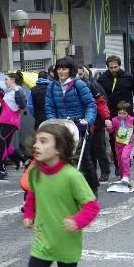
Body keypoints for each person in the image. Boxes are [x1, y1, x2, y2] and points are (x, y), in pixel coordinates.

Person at [22, 122, 100, 267]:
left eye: (43, 141)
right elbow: (33, 195)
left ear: (59, 148)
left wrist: (77, 221)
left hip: (67, 243)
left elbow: (92, 206)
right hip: (43, 239)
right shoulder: (35, 172)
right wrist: (29, 214)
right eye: (36, 141)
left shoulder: (71, 176)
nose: (36, 145)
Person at [43, 57, 98, 194]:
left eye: (64, 69)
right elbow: (49, 107)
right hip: (61, 127)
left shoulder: (79, 84)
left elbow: (90, 104)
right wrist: (52, 121)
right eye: (59, 69)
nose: (61, 71)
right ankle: (66, 188)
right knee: (61, 158)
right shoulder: (52, 86)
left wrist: (87, 119)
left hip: (79, 126)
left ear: (70, 70)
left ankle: (92, 187)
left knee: (82, 158)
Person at [0, 71, 27, 170]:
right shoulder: (11, 91)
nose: (5, 81)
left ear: (13, 80)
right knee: (4, 143)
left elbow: (22, 105)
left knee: (2, 141)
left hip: (10, 121)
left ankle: (2, 168)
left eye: (6, 79)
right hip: (6, 120)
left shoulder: (18, 90)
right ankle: (22, 160)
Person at [108, 101, 134, 185]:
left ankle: (126, 175)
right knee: (120, 161)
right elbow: (111, 130)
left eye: (124, 114)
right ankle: (122, 177)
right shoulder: (115, 120)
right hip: (118, 143)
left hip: (128, 142)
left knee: (124, 157)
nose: (121, 115)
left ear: (128, 113)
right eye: (120, 113)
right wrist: (108, 127)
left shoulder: (131, 120)